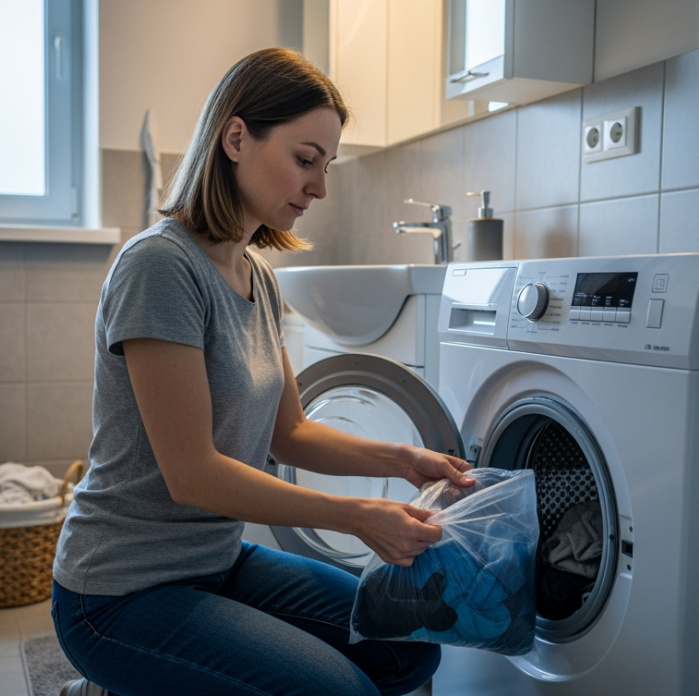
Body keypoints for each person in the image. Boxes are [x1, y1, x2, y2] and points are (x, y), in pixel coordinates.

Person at [50, 47, 473, 696]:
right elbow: (192, 475)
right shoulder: (160, 266)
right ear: (236, 139)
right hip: (118, 590)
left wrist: (404, 459)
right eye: (306, 159)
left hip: (214, 562)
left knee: (408, 647)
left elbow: (291, 433)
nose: (319, 187)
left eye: (326, 166)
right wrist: (360, 516)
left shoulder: (257, 277)